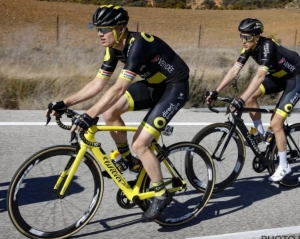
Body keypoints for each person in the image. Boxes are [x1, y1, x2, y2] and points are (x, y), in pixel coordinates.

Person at [47, 4, 190, 221]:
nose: (99, 34)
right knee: (111, 112)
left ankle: (161, 193)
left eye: (104, 29)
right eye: (97, 29)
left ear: (121, 28)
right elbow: (97, 84)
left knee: (140, 144)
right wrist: (64, 102)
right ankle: (129, 160)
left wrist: (89, 114)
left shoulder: (138, 44)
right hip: (153, 85)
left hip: (175, 87)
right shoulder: (113, 48)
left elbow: (119, 87)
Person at [206, 18, 300, 182]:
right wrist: (216, 91)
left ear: (257, 36)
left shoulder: (267, 47)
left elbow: (259, 76)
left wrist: (240, 99)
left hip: (295, 78)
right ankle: (261, 134)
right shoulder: (249, 48)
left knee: (276, 123)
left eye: (248, 37)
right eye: (242, 37)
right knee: (250, 98)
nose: (244, 41)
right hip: (279, 77)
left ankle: (284, 165)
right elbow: (234, 71)